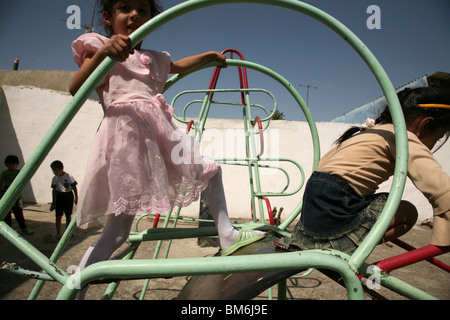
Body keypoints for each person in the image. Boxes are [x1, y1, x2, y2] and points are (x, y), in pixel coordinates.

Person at [70, 0, 265, 296]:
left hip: (161, 136)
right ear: (108, 18)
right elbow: (75, 87)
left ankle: (226, 233)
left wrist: (208, 57)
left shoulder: (153, 57)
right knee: (119, 230)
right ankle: (77, 287)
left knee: (211, 170)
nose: (135, 14)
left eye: (144, 11)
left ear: (153, 20)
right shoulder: (100, 48)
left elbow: (177, 66)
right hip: (127, 139)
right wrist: (103, 54)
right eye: (125, 8)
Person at [276, 86, 450, 254]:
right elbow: (438, 185)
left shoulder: (371, 133)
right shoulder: (403, 137)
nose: (435, 143)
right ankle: (345, 251)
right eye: (439, 137)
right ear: (425, 125)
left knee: (379, 200)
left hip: (314, 207)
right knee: (407, 212)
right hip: (337, 204)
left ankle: (326, 244)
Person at [0, 155, 33, 235]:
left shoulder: (19, 173)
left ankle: (24, 229)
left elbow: (22, 184)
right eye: (9, 164)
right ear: (6, 165)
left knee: (18, 213)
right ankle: (8, 230)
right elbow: (0, 185)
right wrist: (1, 196)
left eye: (13, 164)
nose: (11, 166)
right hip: (6, 193)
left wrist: (19, 194)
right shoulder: (4, 173)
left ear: (16, 164)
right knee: (7, 214)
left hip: (16, 194)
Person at [50, 160, 78, 239]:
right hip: (59, 196)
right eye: (53, 170)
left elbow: (74, 187)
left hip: (68, 196)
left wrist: (76, 198)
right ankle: (58, 233)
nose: (55, 172)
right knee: (58, 216)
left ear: (62, 168)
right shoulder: (54, 178)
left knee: (68, 215)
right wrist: (53, 201)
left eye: (56, 170)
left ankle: (68, 232)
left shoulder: (69, 176)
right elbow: (54, 190)